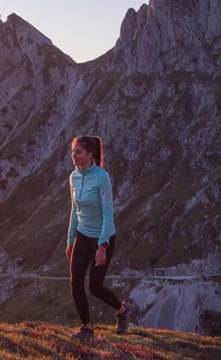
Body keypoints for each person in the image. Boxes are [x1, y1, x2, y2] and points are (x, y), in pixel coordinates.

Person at [66, 135, 130, 340]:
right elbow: (74, 210)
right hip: (82, 236)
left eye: (78, 152)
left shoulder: (102, 177)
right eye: (73, 151)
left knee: (94, 286)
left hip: (103, 236)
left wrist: (103, 245)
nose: (73, 155)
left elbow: (108, 212)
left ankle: (121, 311)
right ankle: (87, 328)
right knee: (75, 281)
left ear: (90, 154)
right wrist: (70, 241)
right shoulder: (73, 176)